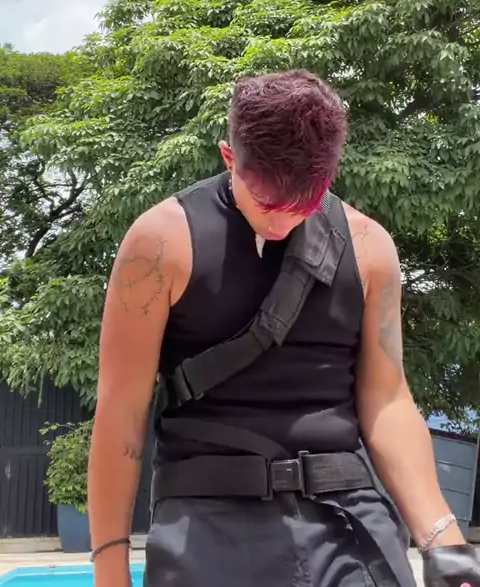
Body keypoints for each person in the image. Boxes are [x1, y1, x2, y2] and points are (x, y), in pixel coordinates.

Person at [88, 69, 479, 587]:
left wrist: (443, 539)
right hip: (208, 517)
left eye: (304, 206)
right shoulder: (160, 244)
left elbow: (387, 399)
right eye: (267, 203)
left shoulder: (370, 248)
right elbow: (121, 410)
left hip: (347, 515)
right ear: (229, 158)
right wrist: (109, 570)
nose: (282, 223)